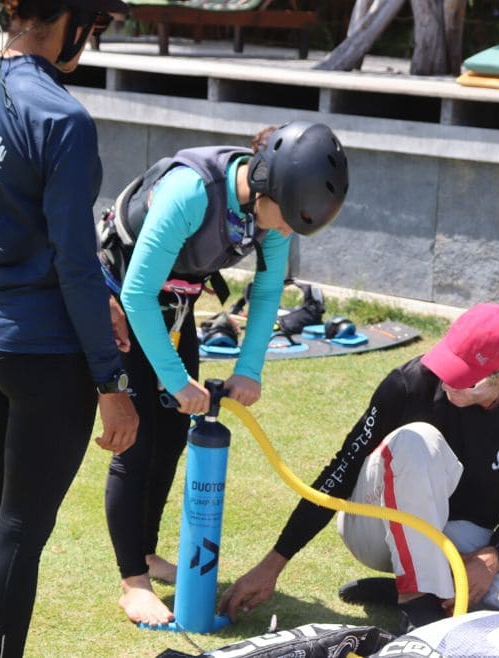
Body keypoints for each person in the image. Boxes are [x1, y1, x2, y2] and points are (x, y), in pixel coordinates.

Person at [0, 1, 139, 656]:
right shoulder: (63, 117)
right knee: (20, 528)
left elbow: (16, 228)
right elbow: (72, 258)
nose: (92, 41)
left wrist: (102, 294)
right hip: (43, 349)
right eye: (95, 27)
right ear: (69, 19)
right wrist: (112, 382)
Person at [97, 121, 350, 626]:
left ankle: (145, 552)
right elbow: (137, 295)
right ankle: (133, 583)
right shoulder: (192, 192)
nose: (284, 233)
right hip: (121, 304)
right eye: (286, 221)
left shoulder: (272, 209)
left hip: (176, 302)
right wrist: (176, 381)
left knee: (172, 436)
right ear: (265, 183)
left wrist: (249, 369)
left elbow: (268, 289)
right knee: (137, 441)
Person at [218, 303, 499, 632]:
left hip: (456, 533)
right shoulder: (409, 384)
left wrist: (494, 557)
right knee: (416, 440)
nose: (449, 382)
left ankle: (421, 586)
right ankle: (417, 601)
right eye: (449, 364)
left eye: (467, 378)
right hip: (374, 525)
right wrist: (273, 563)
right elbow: (341, 470)